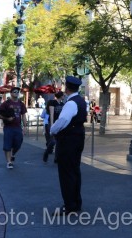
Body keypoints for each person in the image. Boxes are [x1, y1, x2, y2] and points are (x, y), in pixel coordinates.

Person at [49, 76, 87, 215]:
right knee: (74, 171)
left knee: (66, 173)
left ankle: (69, 205)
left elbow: (63, 120)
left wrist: (52, 129)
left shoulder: (71, 103)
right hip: (77, 137)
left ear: (67, 88)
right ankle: (76, 202)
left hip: (68, 140)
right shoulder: (81, 101)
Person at [0, 86, 27, 169]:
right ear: (11, 93)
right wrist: (7, 118)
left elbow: (23, 115)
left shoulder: (21, 104)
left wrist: (25, 126)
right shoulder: (6, 103)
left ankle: (12, 154)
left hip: (17, 127)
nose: (16, 93)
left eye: (17, 92)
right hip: (8, 127)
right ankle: (9, 162)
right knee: (7, 145)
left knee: (18, 143)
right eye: (15, 92)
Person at [43, 91, 65, 162]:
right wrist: (52, 125)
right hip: (52, 123)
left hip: (59, 124)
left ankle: (56, 157)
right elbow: (51, 114)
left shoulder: (62, 104)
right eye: (63, 95)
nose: (64, 96)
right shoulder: (52, 102)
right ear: (60, 96)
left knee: (59, 141)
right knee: (53, 141)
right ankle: (46, 152)